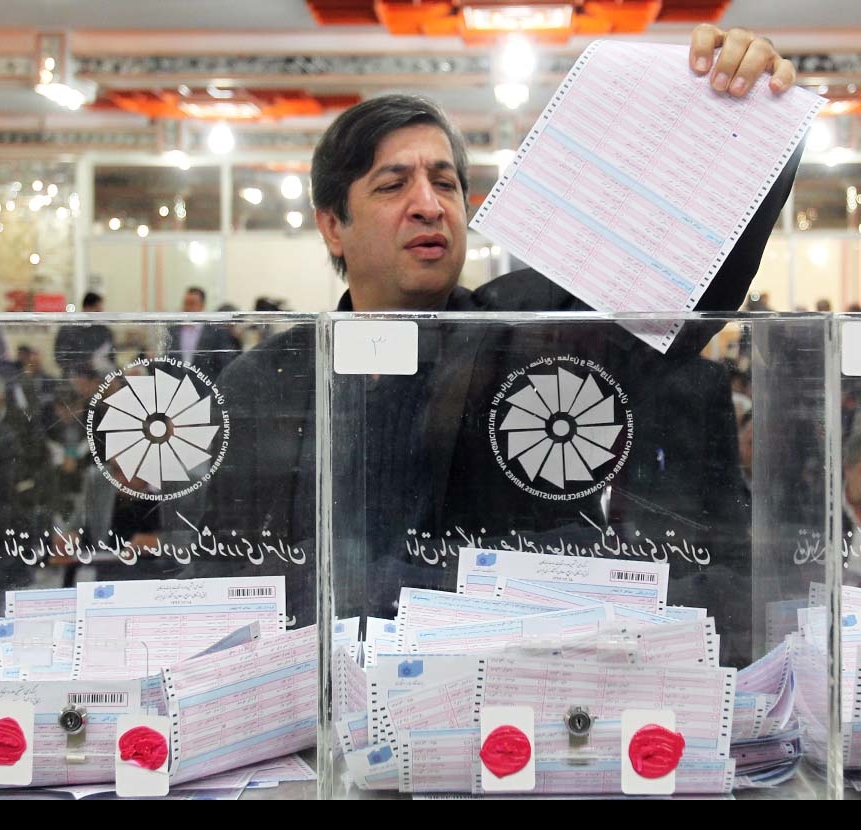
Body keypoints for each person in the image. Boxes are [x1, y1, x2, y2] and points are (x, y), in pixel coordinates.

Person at [188, 26, 801, 650]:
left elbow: (688, 286)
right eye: (393, 185)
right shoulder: (269, 382)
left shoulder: (525, 336)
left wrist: (746, 113)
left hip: (496, 681)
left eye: (445, 183)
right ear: (332, 225)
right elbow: (222, 572)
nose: (429, 205)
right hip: (315, 685)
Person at [168, 287, 241, 381]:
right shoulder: (173, 331)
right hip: (177, 384)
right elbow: (168, 361)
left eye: (192, 303)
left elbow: (224, 362)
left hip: (205, 385)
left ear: (202, 305)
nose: (187, 308)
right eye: (186, 303)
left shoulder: (216, 332)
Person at [52, 291, 116, 380]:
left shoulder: (104, 331)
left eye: (101, 312)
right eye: (97, 311)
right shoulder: (68, 329)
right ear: (87, 308)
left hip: (100, 379)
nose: (100, 316)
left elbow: (112, 357)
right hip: (74, 379)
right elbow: (61, 358)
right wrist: (85, 365)